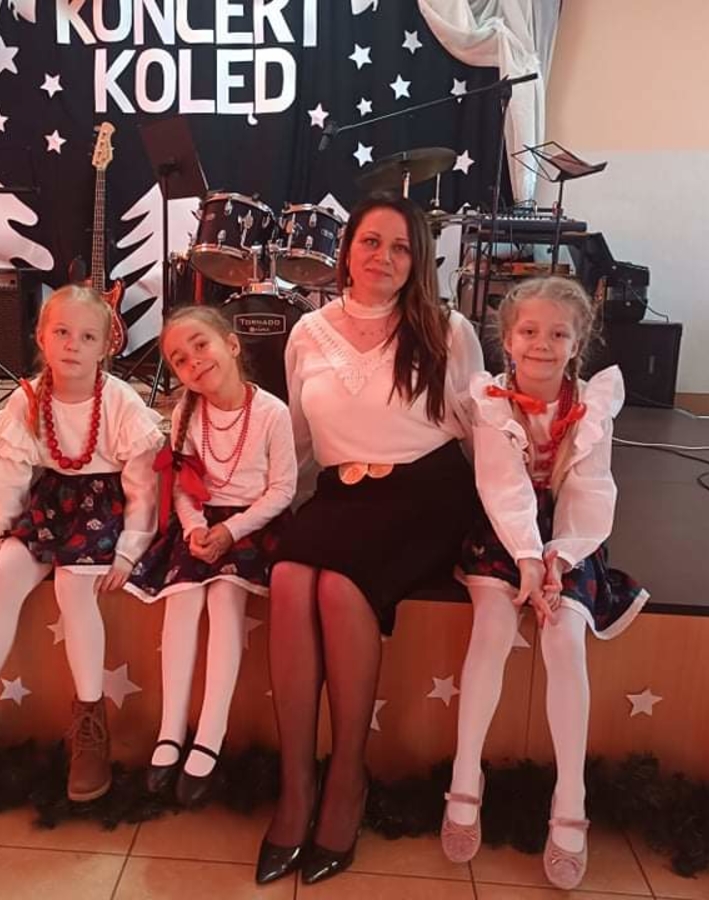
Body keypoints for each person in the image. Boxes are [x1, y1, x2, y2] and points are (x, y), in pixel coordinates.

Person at [257, 193, 485, 885]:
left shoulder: (446, 328)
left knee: (339, 583)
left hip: (428, 492)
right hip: (343, 493)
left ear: (418, 261)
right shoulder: (308, 332)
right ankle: (296, 783)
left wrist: (517, 523)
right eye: (371, 242)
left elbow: (479, 433)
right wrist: (257, 499)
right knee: (289, 575)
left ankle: (347, 778)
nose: (384, 257)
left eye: (401, 247)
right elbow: (299, 439)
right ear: (346, 250)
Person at [0, 285, 163, 802]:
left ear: (107, 347)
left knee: (75, 589)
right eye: (62, 332)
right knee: (5, 576)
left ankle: (90, 725)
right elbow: (8, 474)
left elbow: (143, 486)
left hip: (102, 507)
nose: (73, 345)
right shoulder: (28, 398)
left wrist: (129, 549)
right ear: (41, 337)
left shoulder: (120, 401)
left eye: (88, 336)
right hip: (50, 503)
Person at [443, 276, 647, 889]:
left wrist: (557, 559)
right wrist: (527, 558)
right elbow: (502, 487)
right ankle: (465, 774)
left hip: (568, 535)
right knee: (492, 627)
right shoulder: (492, 402)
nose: (542, 344)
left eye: (558, 334)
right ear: (507, 340)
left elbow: (590, 491)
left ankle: (570, 796)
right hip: (506, 530)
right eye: (529, 332)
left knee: (564, 638)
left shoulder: (592, 406)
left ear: (577, 343)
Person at [125, 306, 296, 806]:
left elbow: (283, 489)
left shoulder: (272, 413)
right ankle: (170, 729)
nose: (194, 361)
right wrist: (196, 527)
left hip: (252, 524)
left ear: (232, 345)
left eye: (201, 345)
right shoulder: (186, 412)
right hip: (202, 521)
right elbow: (183, 484)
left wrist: (229, 530)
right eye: (179, 359)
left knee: (224, 599)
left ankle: (211, 733)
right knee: (182, 599)